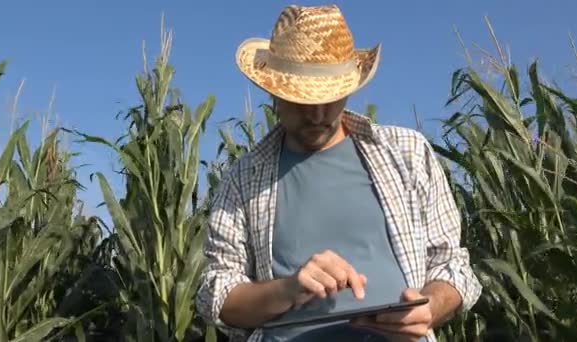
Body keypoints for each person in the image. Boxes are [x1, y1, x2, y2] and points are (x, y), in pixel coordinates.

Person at [195, 4, 482, 342]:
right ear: (272, 92)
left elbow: (451, 265)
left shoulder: (408, 152)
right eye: (301, 99)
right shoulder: (243, 178)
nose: (318, 114)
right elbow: (217, 295)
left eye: (331, 97)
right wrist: (289, 288)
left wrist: (429, 307)